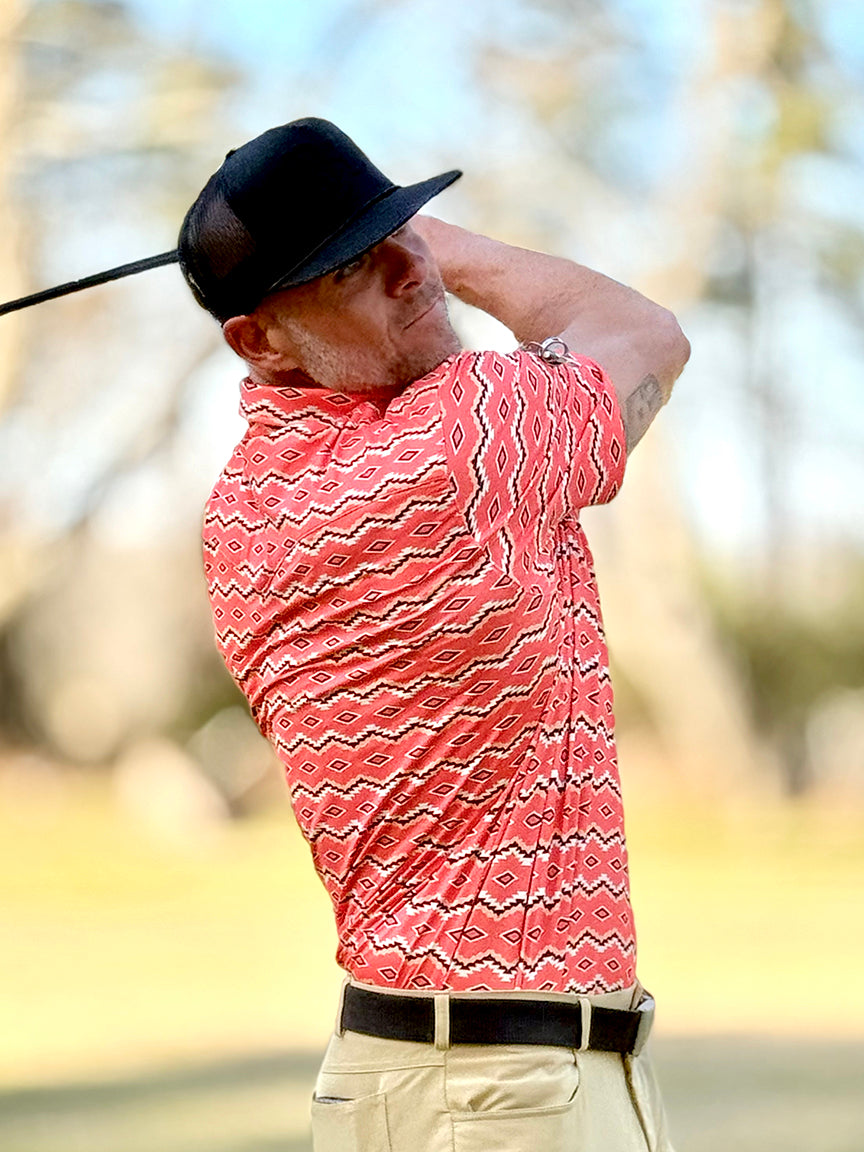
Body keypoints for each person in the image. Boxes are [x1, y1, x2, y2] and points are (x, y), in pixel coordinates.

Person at [178, 117, 690, 1152]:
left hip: (424, 1083)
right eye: (355, 267)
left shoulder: (240, 513)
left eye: (402, 235)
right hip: (506, 1099)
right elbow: (646, 334)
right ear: (258, 339)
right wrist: (447, 243)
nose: (411, 272)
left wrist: (383, 244)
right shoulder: (461, 442)